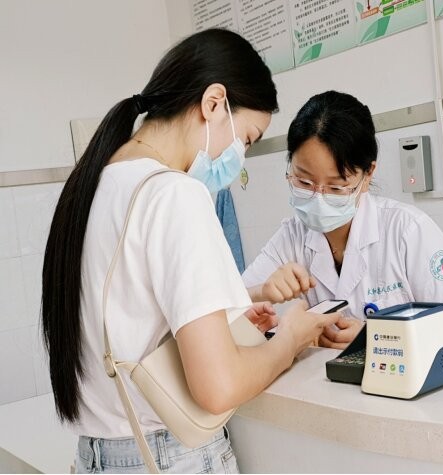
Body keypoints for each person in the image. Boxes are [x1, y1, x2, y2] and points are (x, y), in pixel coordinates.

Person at [41, 29, 340, 474]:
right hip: (168, 457)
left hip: (96, 458)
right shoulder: (175, 194)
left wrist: (230, 316)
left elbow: (133, 314)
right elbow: (218, 388)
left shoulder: (95, 183)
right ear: (214, 103)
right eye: (247, 139)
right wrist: (292, 337)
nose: (239, 157)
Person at [243, 91, 443, 349]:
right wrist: (261, 292)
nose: (318, 198)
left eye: (336, 187)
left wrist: (374, 339)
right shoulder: (292, 237)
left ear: (367, 175)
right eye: (304, 181)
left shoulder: (407, 230)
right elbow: (224, 307)